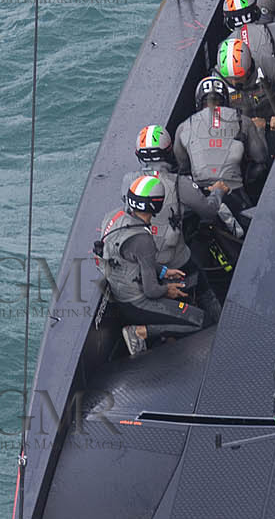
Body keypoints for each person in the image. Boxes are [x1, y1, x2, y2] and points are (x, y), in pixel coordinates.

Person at [95, 176, 208, 352]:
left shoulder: (114, 217)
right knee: (200, 321)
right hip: (138, 303)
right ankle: (141, 332)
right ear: (157, 204)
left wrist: (163, 271)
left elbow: (131, 258)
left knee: (187, 286)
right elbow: (152, 291)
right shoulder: (142, 239)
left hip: (122, 293)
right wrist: (167, 290)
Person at [174, 75, 266, 207]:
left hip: (200, 194)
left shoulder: (183, 127)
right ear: (225, 100)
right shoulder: (243, 120)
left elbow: (183, 167)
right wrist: (260, 131)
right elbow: (261, 157)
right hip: (233, 191)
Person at [218, 21, 275, 124]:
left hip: (273, 123)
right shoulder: (217, 80)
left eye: (238, 78)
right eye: (230, 78)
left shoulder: (268, 64)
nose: (233, 83)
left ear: (248, 70)